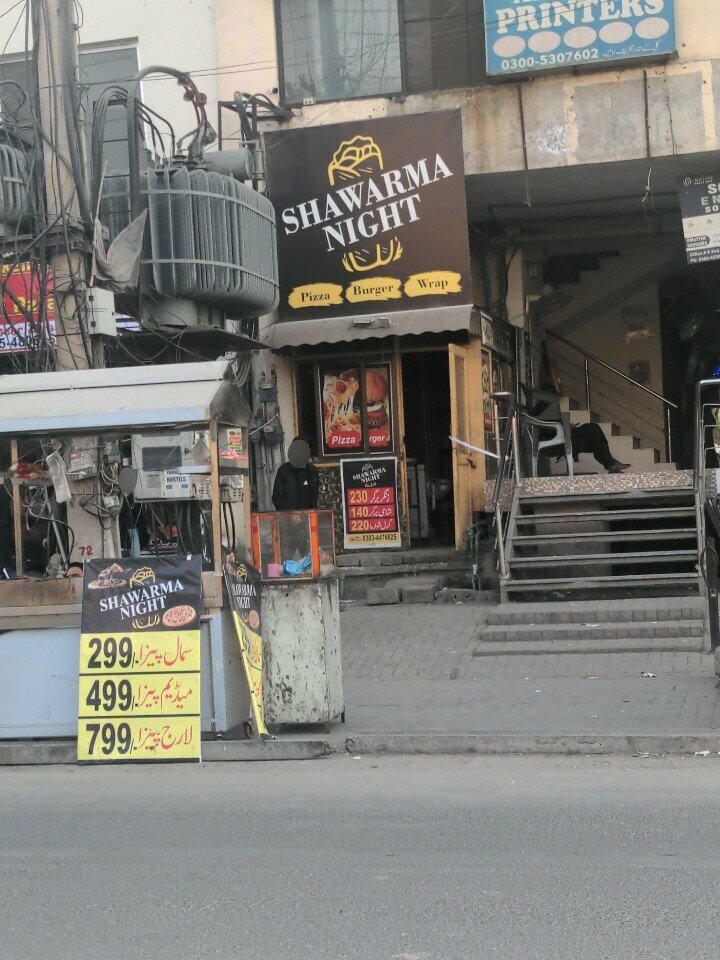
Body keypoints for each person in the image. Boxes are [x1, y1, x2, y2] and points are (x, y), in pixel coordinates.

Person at [532, 384, 630, 474]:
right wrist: (565, 426)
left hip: (563, 437)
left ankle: (611, 465)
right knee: (593, 430)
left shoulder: (544, 407)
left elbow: (552, 424)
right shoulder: (544, 408)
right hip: (558, 442)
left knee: (595, 440)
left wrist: (567, 426)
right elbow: (550, 429)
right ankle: (611, 464)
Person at [272, 438, 319, 510]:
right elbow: (277, 498)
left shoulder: (313, 470)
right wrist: (290, 514)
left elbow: (317, 496)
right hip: (289, 518)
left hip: (310, 516)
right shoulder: (284, 471)